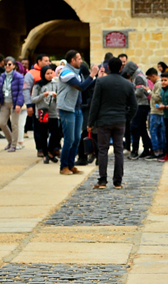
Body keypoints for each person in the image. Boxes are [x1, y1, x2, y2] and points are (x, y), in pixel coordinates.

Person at [87, 57, 137, 189]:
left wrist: (90, 122)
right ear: (121, 68)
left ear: (108, 67)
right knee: (118, 150)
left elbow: (95, 103)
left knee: (103, 150)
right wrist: (126, 117)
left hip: (103, 120)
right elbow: (134, 106)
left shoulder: (101, 82)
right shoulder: (127, 84)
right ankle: (118, 181)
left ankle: (102, 180)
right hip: (120, 120)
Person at [57, 50, 92, 175]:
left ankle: (71, 165)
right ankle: (64, 166)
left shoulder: (77, 73)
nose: (81, 61)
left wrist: (97, 78)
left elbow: (86, 86)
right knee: (69, 139)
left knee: (77, 139)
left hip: (77, 109)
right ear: (72, 60)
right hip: (67, 108)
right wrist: (92, 75)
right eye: (79, 59)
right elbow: (81, 87)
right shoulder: (66, 72)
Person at [31, 64, 62, 165]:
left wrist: (56, 96)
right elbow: (33, 99)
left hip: (53, 112)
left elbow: (60, 98)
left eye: (51, 73)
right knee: (43, 134)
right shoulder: (38, 85)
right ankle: (45, 154)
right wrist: (43, 95)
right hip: (42, 111)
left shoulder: (55, 84)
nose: (49, 75)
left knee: (56, 133)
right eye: (47, 73)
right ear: (43, 74)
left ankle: (50, 151)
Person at [24, 54, 51, 157]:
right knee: (39, 127)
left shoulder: (50, 72)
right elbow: (26, 90)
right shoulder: (31, 74)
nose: (48, 62)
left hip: (50, 105)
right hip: (37, 104)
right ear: (39, 61)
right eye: (46, 60)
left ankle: (51, 148)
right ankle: (40, 148)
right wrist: (29, 105)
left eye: (48, 61)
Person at [0, 57, 24, 152]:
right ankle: (10, 141)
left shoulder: (19, 77)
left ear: (14, 66)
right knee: (2, 123)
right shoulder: (2, 76)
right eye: (5, 64)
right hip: (5, 102)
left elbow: (21, 92)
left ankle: (14, 145)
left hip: (14, 102)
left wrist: (19, 104)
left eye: (9, 64)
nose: (7, 66)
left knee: (14, 124)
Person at [127, 62, 153, 160]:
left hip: (141, 105)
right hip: (142, 105)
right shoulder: (139, 75)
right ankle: (148, 148)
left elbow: (139, 92)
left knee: (134, 127)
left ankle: (135, 151)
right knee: (142, 128)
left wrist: (129, 92)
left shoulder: (138, 77)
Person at [146, 67, 164, 159]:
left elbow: (157, 97)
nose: (150, 80)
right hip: (157, 111)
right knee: (158, 132)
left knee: (154, 131)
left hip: (156, 111)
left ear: (153, 76)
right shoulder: (158, 84)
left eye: (150, 78)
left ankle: (157, 150)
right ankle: (159, 150)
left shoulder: (158, 84)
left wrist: (149, 91)